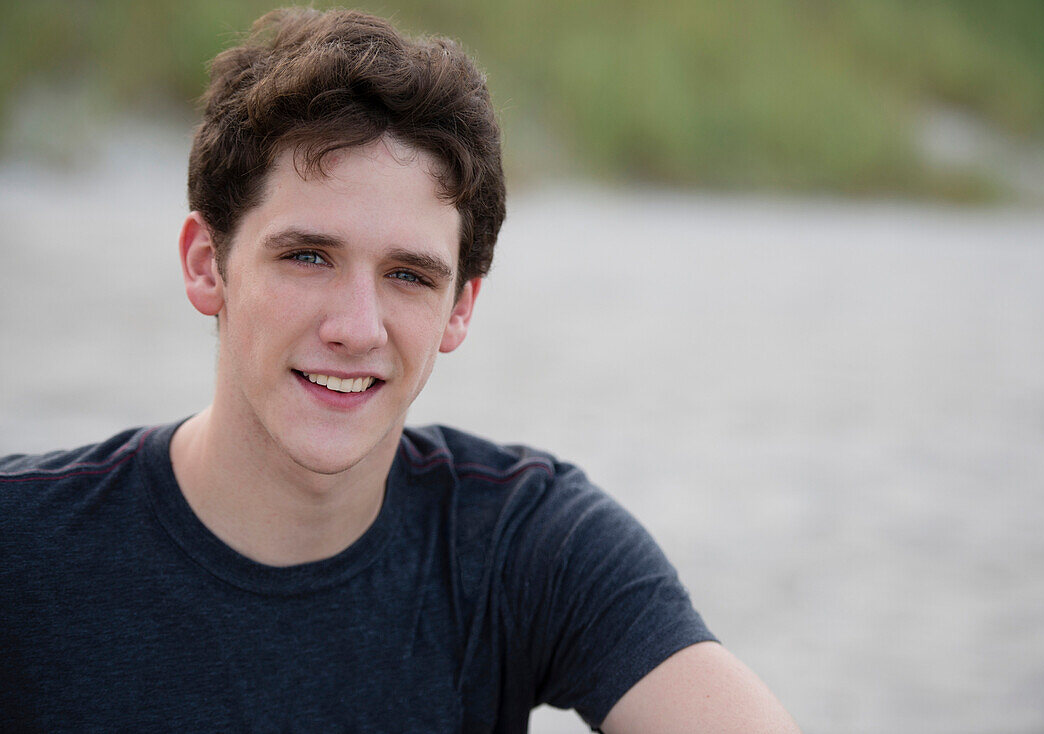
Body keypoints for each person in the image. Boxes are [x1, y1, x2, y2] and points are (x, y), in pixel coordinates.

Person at [0, 8, 800, 732]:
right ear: (208, 263)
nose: (355, 327)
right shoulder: (25, 549)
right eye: (308, 256)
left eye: (409, 275)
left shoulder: (529, 544)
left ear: (460, 308)